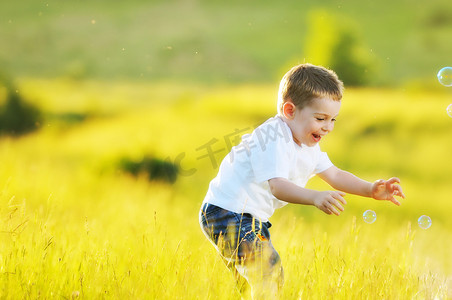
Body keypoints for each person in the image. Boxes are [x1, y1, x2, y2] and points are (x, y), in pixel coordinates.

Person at [198, 63, 405, 299]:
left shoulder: (307, 145)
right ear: (289, 111)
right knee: (268, 270)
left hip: (248, 218)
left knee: (250, 284)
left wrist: (370, 189)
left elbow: (335, 175)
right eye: (320, 118)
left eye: (333, 120)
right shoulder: (272, 137)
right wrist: (315, 196)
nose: (327, 127)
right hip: (226, 213)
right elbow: (278, 186)